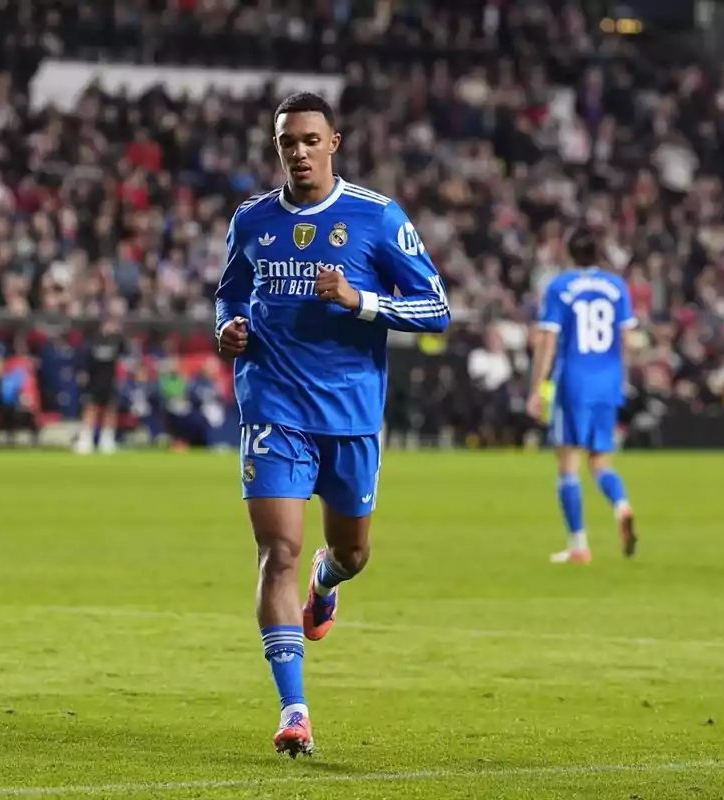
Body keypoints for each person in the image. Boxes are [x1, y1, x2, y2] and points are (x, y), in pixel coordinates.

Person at [214, 92, 451, 757]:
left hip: (348, 416)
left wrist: (360, 301)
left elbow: (436, 308)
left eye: (310, 139)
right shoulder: (252, 220)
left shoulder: (376, 218)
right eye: (287, 141)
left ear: (334, 142)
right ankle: (294, 711)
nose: (298, 151)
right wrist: (225, 330)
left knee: (351, 553)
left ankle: (328, 583)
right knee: (276, 551)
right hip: (273, 407)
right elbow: (231, 292)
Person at [527, 225, 638, 565]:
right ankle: (622, 506)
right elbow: (629, 340)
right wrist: (620, 377)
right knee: (601, 461)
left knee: (568, 464)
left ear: (570, 253)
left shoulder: (560, 286)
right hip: (608, 382)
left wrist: (536, 388)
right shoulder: (616, 286)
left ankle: (578, 545)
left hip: (574, 380)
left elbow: (547, 339)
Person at [74, 315, 125, 455]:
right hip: (94, 381)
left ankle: (107, 441)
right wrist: (83, 374)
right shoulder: (92, 342)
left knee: (110, 410)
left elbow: (124, 356)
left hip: (110, 380)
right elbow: (83, 359)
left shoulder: (118, 342)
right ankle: (85, 441)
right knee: (91, 409)